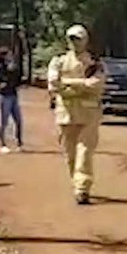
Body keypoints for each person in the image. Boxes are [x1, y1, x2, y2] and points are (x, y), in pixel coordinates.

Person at [47, 24, 106, 204]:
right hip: (66, 115)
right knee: (70, 155)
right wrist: (81, 85)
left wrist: (68, 83)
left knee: (84, 153)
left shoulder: (94, 63)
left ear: (85, 40)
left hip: (89, 115)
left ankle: (82, 188)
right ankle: (77, 183)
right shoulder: (59, 61)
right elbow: (53, 85)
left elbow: (96, 85)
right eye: (72, 39)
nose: (75, 42)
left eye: (78, 39)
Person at [0, 47, 24, 153]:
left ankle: (19, 142)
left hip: (13, 95)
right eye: (8, 55)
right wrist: (9, 72)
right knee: (4, 121)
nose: (10, 57)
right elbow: (4, 80)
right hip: (5, 96)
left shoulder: (13, 67)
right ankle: (3, 144)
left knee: (18, 120)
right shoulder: (0, 68)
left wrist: (14, 71)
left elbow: (17, 79)